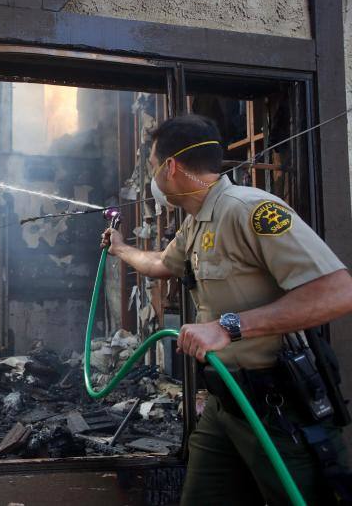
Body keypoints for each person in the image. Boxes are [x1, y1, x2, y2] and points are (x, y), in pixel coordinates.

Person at [101, 114, 352, 505]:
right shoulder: (196, 222)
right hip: (225, 404)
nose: (152, 181)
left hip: (276, 406)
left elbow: (337, 292)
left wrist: (228, 327)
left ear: (171, 167)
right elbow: (163, 264)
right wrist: (120, 248)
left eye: (151, 168)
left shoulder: (251, 209)